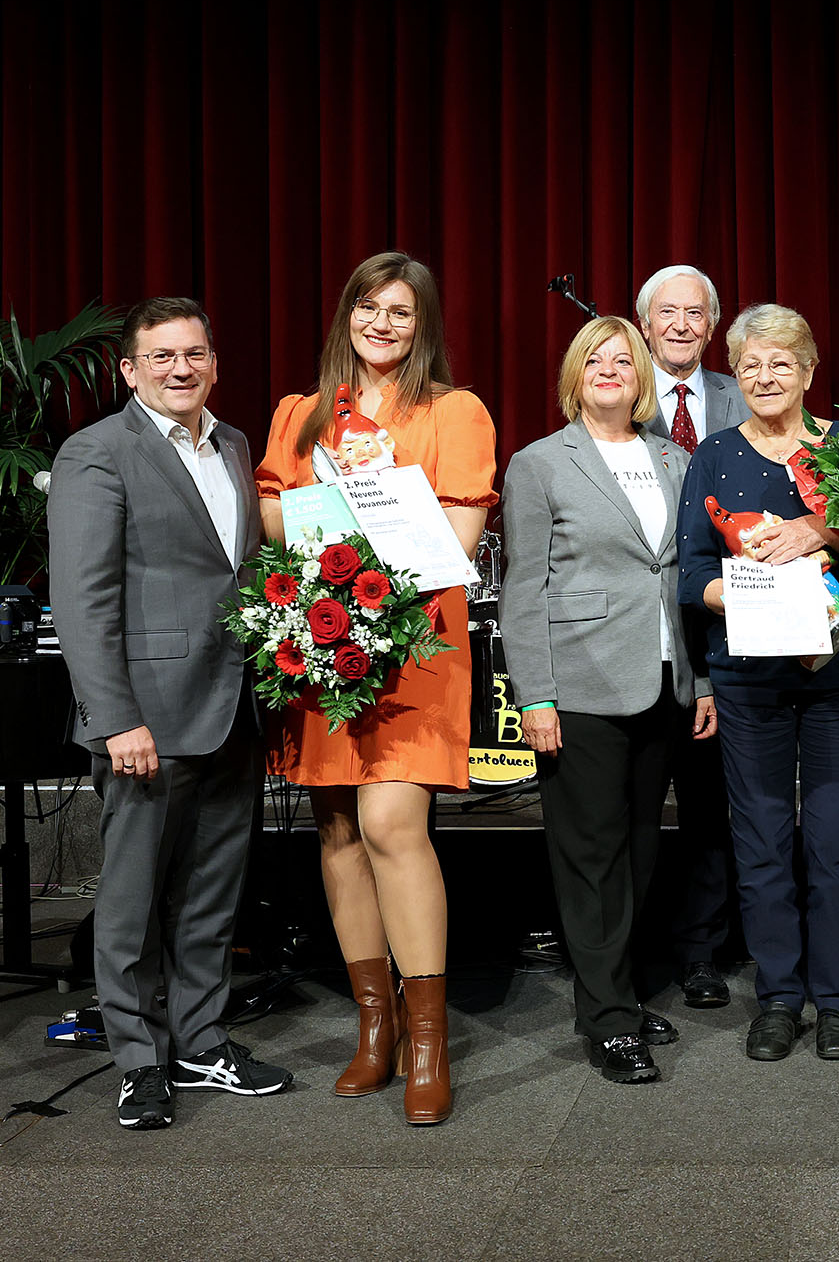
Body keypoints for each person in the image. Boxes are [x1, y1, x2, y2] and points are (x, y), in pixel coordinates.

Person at [255, 252, 497, 1126]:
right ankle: (375, 1029)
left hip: (413, 640)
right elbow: (278, 522)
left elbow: (460, 541)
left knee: (393, 820)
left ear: (423, 322)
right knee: (338, 831)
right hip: (319, 639)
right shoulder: (299, 412)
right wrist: (329, 493)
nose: (383, 323)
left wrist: (369, 492)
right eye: (368, 306)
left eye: (401, 310)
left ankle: (429, 1042)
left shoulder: (455, 411)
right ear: (346, 317)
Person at [49, 297, 290, 1130]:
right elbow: (82, 600)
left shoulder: (233, 444)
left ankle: (199, 1038)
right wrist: (116, 717)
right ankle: (135, 1057)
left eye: (194, 353)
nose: (180, 368)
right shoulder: (97, 453)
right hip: (146, 717)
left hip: (231, 707)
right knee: (132, 897)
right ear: (130, 370)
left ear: (215, 363)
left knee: (210, 893)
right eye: (161, 357)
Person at [499, 316, 714, 1084]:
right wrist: (537, 695)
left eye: (625, 358)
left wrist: (704, 678)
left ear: (644, 375)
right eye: (597, 358)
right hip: (580, 685)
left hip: (662, 677)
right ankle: (611, 1022)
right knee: (590, 857)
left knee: (640, 851)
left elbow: (686, 574)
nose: (611, 369)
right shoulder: (539, 463)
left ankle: (611, 993)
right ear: (575, 374)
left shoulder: (675, 458)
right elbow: (521, 589)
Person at [677, 303, 839, 1061]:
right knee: (762, 836)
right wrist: (755, 593)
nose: (765, 376)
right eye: (750, 365)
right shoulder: (713, 456)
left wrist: (819, 533)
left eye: (781, 363)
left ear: (809, 372)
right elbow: (692, 573)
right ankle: (778, 996)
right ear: (735, 375)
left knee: (835, 840)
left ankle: (836, 1000)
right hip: (749, 674)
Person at [637, 264, 745, 1010]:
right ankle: (635, 956)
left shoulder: (749, 397)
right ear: (644, 325)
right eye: (666, 313)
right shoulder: (614, 385)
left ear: (713, 327)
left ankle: (703, 951)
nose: (680, 325)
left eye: (695, 314)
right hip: (640, 634)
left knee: (711, 805)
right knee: (636, 809)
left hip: (731, 630)